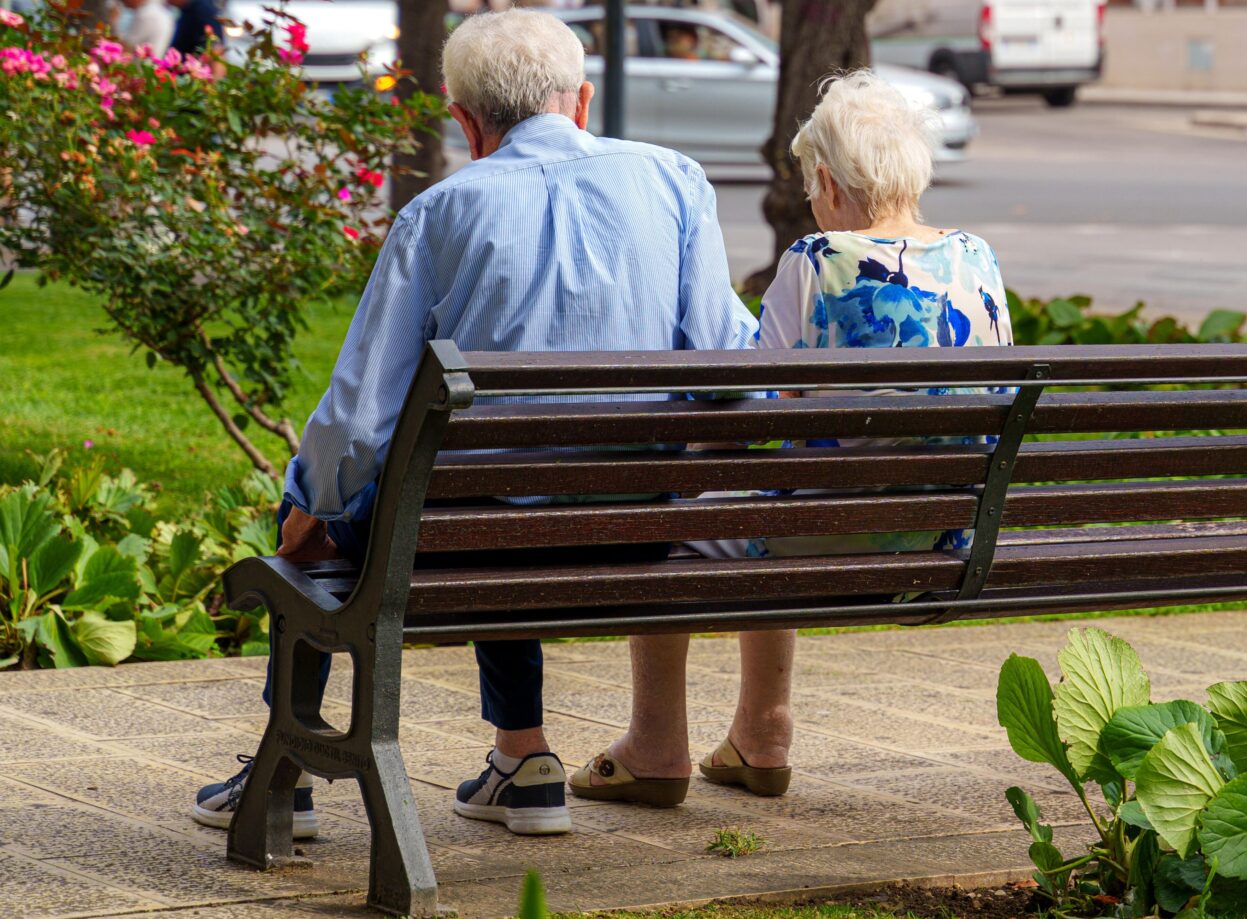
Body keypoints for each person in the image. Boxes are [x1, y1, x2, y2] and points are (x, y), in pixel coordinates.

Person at [191, 8, 757, 839]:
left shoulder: (439, 214)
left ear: (465, 121)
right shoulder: (674, 181)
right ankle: (522, 761)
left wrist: (306, 509)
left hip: (469, 533)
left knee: (353, 511)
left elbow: (355, 419)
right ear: (583, 102)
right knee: (495, 484)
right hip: (632, 531)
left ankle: (287, 775)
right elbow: (727, 362)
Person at [572, 70, 1012, 804]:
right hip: (942, 534)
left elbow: (757, 407)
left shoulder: (816, 262)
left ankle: (655, 747)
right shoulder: (978, 257)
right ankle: (762, 734)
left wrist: (686, 464)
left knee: (671, 521)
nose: (811, 200)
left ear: (832, 183)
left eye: (812, 184)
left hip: (821, 535)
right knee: (772, 501)